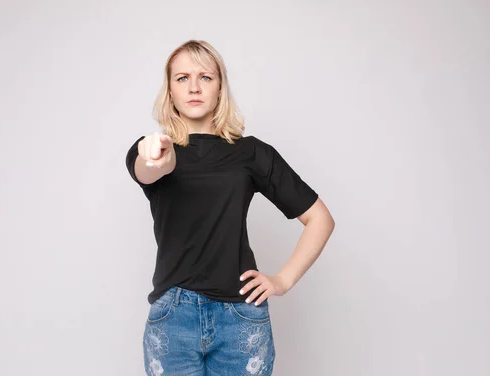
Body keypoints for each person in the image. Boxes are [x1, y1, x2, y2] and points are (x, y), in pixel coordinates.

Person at [125, 40, 335, 376]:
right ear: (170, 90)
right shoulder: (154, 151)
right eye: (182, 78)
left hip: (240, 318)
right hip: (173, 318)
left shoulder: (252, 154)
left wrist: (282, 280)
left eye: (205, 77)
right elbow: (150, 170)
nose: (194, 87)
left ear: (220, 87)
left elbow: (320, 219)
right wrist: (154, 153)